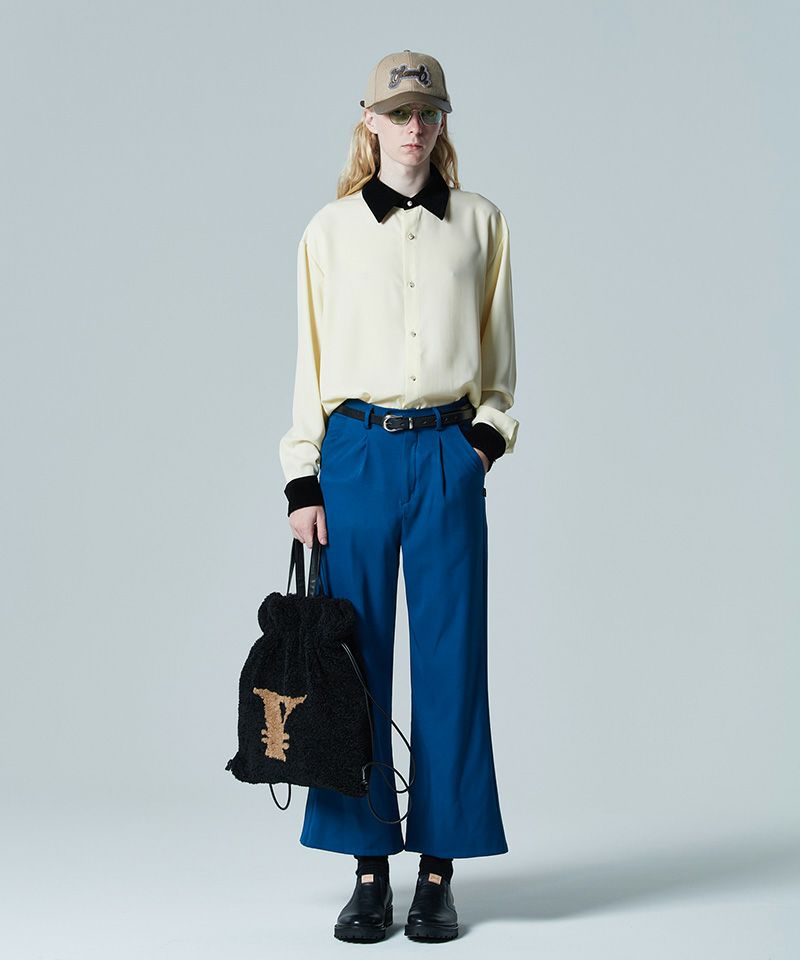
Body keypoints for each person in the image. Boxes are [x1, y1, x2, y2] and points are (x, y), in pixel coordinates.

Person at [279, 49, 519, 943]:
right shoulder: (328, 232)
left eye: (428, 112)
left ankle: (440, 872)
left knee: (454, 662)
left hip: (446, 454)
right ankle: (370, 869)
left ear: (442, 120)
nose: (414, 128)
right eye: (398, 113)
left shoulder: (481, 223)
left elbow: (499, 362)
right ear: (369, 121)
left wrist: (480, 446)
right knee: (354, 664)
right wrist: (302, 476)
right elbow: (308, 364)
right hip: (355, 457)